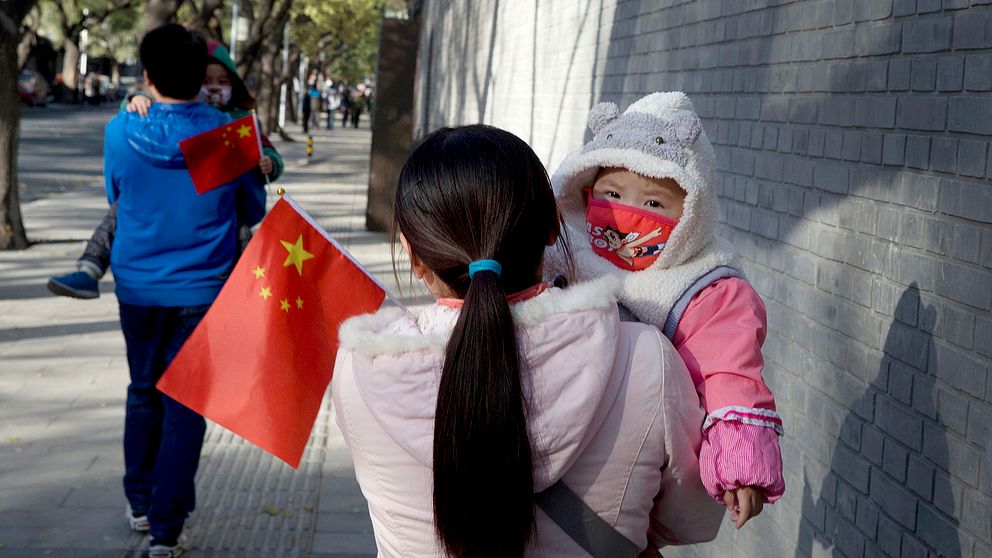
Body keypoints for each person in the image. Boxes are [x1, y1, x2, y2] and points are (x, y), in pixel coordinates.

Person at [331, 125, 723, 557]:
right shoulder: (645, 359)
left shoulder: (361, 370)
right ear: (555, 225)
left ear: (413, 254)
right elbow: (694, 518)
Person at [547, 92, 785, 529]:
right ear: (586, 192)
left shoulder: (704, 288)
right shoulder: (564, 247)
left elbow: (729, 373)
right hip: (553, 436)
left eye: (654, 204)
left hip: (638, 458)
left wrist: (742, 464)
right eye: (612, 194)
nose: (629, 215)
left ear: (692, 213)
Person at [103, 24, 267, 557]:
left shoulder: (120, 131)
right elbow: (252, 209)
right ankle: (166, 530)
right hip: (203, 289)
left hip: (137, 287)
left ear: (147, 75)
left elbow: (115, 193)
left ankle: (140, 502)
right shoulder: (229, 135)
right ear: (202, 75)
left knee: (142, 390)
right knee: (185, 405)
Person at [46, 41, 283, 300]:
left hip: (182, 249)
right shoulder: (153, 119)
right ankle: (90, 267)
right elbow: (255, 203)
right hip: (202, 269)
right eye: (207, 80)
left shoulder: (240, 127)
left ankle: (257, 288)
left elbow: (261, 168)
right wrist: (134, 101)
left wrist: (268, 164)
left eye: (223, 81)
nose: (215, 88)